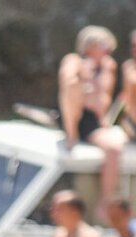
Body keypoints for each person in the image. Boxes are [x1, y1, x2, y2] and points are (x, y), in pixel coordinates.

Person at [59, 27, 125, 209]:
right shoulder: (74, 61)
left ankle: (108, 199)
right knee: (74, 85)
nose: (107, 50)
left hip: (96, 120)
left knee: (115, 147)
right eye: (103, 45)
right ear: (91, 45)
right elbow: (69, 86)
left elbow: (105, 97)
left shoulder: (107, 66)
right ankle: (71, 133)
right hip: (77, 118)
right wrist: (84, 77)